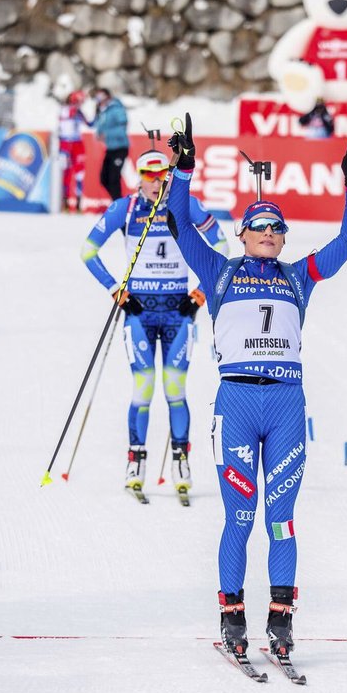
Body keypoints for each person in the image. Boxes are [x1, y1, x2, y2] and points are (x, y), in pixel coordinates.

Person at [165, 115, 347, 660]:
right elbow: (180, 228)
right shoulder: (220, 272)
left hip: (284, 407)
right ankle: (232, 613)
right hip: (236, 404)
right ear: (243, 234)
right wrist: (183, 172)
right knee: (240, 517)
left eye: (278, 230)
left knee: (280, 520)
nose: (272, 237)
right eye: (262, 229)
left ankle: (280, 617)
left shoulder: (298, 276)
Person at [80, 149, 229, 501]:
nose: (156, 181)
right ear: (139, 177)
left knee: (175, 390)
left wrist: (200, 293)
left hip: (179, 311)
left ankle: (181, 462)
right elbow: (88, 251)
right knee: (143, 389)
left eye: (162, 173)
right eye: (148, 174)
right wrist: (116, 290)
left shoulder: (185, 204)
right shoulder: (126, 209)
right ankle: (136, 462)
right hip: (139, 311)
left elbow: (222, 248)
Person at [93, 88, 130, 201]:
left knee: (114, 178)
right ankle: (117, 201)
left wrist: (106, 135)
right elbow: (99, 127)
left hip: (120, 148)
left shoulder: (116, 108)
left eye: (100, 96)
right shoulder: (103, 111)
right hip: (110, 149)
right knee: (104, 178)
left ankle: (118, 204)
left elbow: (122, 128)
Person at [58, 90, 90, 212]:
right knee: (65, 173)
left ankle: (78, 203)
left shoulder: (78, 111)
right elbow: (66, 116)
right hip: (65, 143)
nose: (80, 104)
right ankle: (64, 202)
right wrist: (74, 107)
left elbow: (89, 124)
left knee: (79, 173)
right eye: (79, 101)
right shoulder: (65, 109)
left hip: (77, 143)